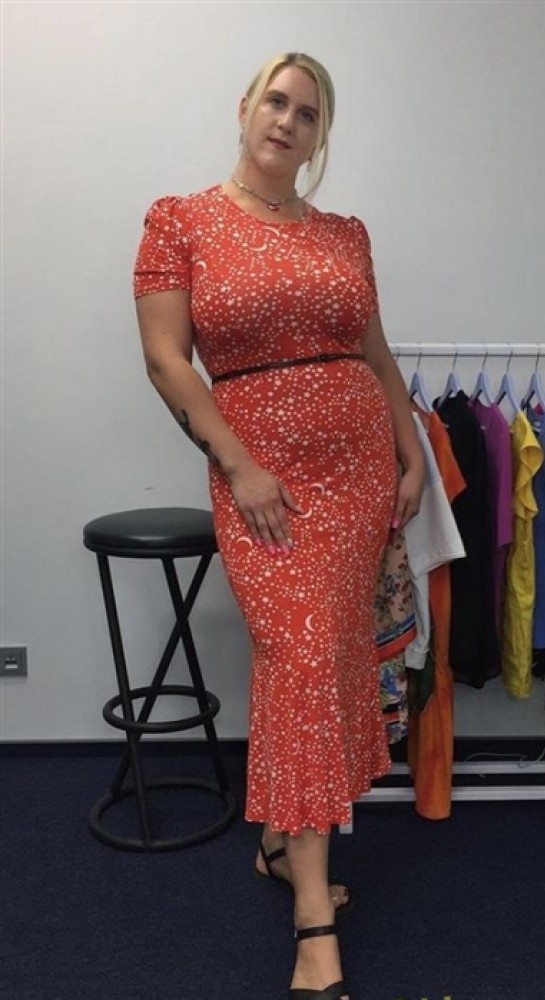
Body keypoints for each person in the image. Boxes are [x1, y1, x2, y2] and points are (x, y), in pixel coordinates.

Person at [133, 52, 424, 1000]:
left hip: (359, 471)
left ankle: (278, 844)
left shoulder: (345, 235)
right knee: (298, 662)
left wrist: (412, 449)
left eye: (308, 113)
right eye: (277, 101)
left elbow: (374, 352)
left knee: (331, 659)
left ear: (318, 136)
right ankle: (313, 923)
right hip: (263, 477)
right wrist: (238, 463)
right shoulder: (181, 220)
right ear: (247, 108)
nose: (288, 121)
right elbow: (167, 361)